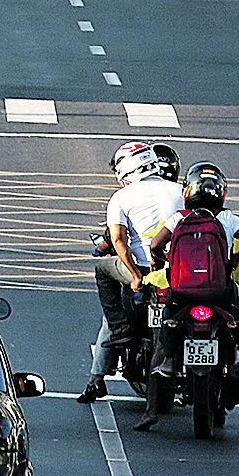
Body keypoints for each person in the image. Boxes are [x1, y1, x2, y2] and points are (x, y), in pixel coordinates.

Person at [143, 163, 239, 437]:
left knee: (163, 345)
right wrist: (234, 259)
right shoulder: (228, 219)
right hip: (222, 294)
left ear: (188, 191)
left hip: (181, 295)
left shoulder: (178, 219)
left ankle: (151, 410)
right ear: (221, 192)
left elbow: (155, 245)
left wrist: (166, 262)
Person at [78, 141, 183, 404]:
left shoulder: (121, 198)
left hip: (143, 271)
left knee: (103, 271)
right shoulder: (181, 191)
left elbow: (118, 241)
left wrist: (135, 275)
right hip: (178, 272)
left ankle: (115, 338)